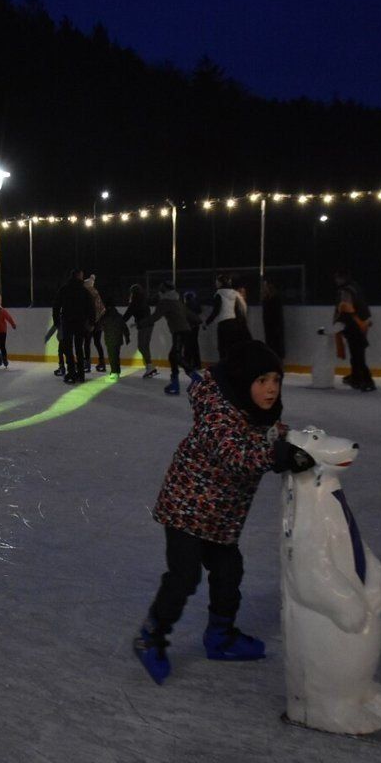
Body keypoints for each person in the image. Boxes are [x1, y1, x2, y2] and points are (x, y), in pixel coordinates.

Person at [133, 341, 315, 684]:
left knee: (230, 570)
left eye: (276, 380)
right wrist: (277, 457)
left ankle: (220, 636)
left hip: (220, 516)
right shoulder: (218, 415)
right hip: (186, 508)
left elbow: (271, 433)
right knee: (184, 577)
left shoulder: (255, 411)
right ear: (244, 380)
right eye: (262, 380)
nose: (271, 389)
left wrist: (300, 443)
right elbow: (234, 455)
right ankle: (149, 638)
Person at [147, 281, 200, 395]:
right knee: (173, 356)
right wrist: (199, 320)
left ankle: (195, 377)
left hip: (179, 332)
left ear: (163, 292)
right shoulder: (177, 301)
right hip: (185, 331)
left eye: (160, 291)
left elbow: (155, 317)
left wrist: (140, 324)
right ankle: (175, 383)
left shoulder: (165, 302)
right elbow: (188, 313)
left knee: (175, 356)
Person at [333, 271, 375, 392]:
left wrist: (341, 322)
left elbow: (346, 308)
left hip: (354, 324)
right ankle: (356, 377)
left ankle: (367, 380)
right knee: (357, 353)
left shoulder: (346, 291)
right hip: (360, 323)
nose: (336, 281)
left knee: (357, 355)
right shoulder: (355, 287)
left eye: (337, 278)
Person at [52, 268, 95, 384]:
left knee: (68, 348)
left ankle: (71, 372)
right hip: (80, 323)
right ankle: (80, 374)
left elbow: (56, 306)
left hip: (67, 322)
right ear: (79, 277)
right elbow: (91, 307)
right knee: (79, 348)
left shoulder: (64, 289)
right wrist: (91, 322)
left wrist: (56, 321)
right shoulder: (83, 291)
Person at [203, 274, 251, 361]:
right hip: (234, 323)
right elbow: (241, 309)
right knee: (232, 346)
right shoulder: (235, 294)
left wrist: (206, 323)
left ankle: (224, 367)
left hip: (223, 324)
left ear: (220, 283)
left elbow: (216, 311)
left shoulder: (219, 294)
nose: (216, 284)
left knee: (222, 347)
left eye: (217, 282)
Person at [123, 283, 157, 378]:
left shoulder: (135, 302)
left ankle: (149, 366)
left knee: (142, 347)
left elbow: (127, 315)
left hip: (144, 326)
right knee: (145, 346)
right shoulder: (143, 300)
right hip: (149, 325)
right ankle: (149, 366)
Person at [97, 296, 131, 378]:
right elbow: (124, 327)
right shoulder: (118, 315)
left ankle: (114, 372)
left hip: (110, 339)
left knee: (112, 356)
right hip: (118, 339)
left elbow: (99, 325)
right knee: (116, 355)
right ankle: (117, 371)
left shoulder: (105, 315)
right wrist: (127, 337)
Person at [84, 273, 107, 372]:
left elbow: (90, 310)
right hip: (99, 322)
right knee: (97, 343)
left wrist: (92, 323)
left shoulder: (88, 294)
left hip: (91, 322)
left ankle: (87, 364)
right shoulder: (96, 293)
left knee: (87, 343)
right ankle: (102, 363)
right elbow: (102, 309)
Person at [261, 278, 285, 359]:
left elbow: (276, 316)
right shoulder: (267, 299)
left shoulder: (275, 299)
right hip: (270, 329)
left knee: (276, 348)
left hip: (275, 329)